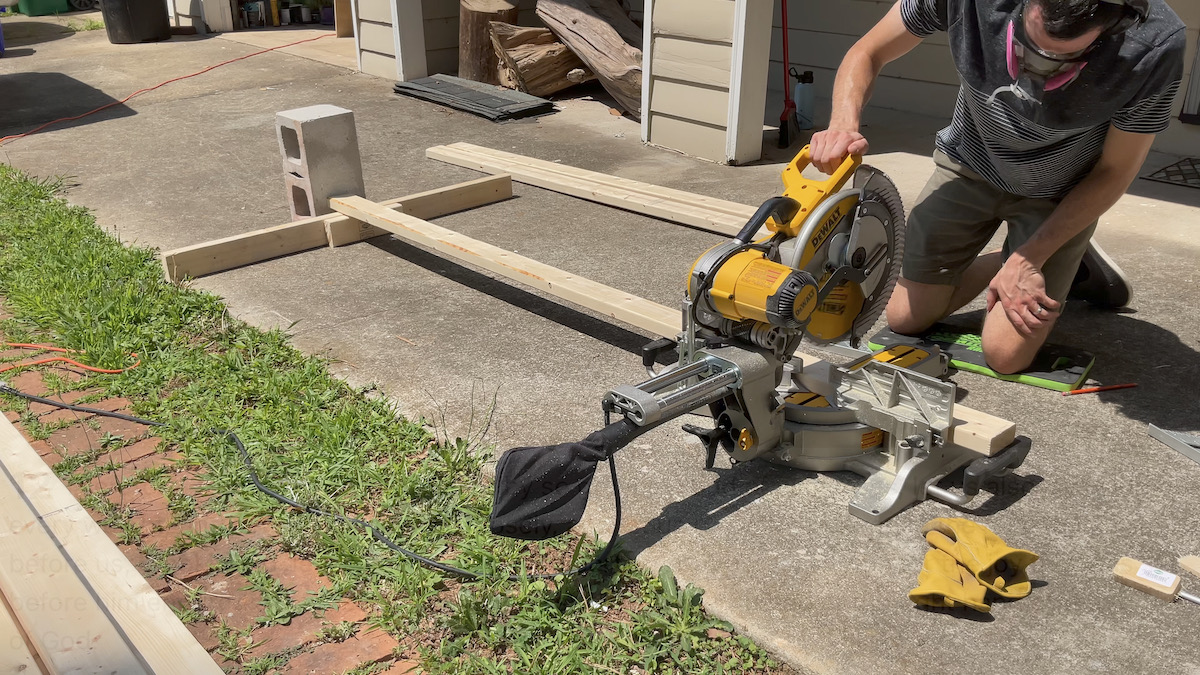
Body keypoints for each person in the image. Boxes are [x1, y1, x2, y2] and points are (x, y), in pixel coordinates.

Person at [809, 0, 1186, 373]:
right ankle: (1061, 261)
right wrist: (843, 123)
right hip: (969, 163)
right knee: (906, 318)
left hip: (1059, 193)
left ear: (1115, 26)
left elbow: (1115, 171)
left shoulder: (1154, 43)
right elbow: (869, 50)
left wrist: (1031, 258)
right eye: (1029, 46)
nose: (1035, 72)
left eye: (1063, 59)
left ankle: (1056, 252)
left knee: (1005, 355)